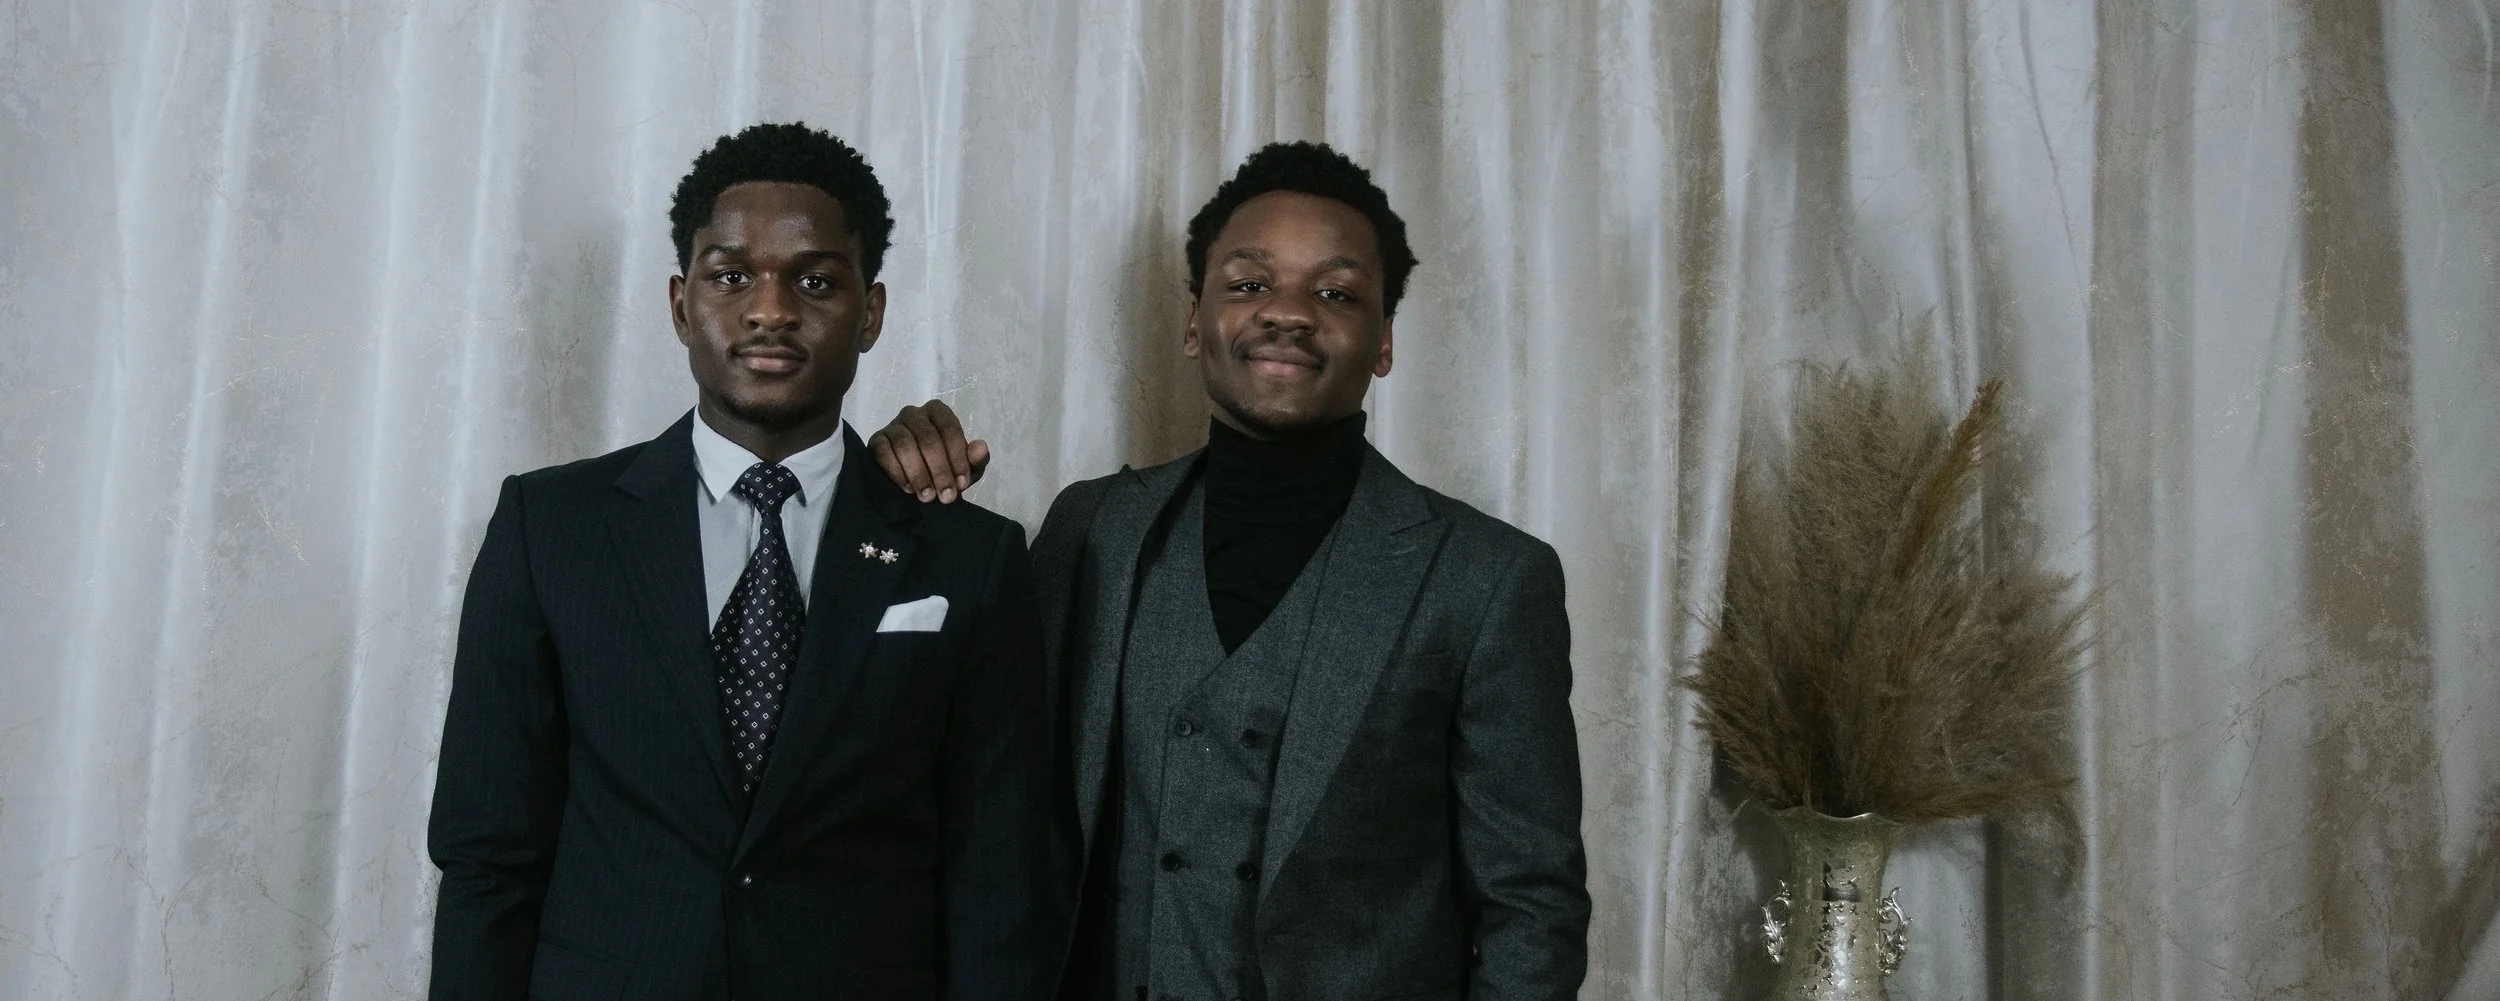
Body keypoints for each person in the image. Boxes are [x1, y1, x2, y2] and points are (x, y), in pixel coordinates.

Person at [872, 142, 1590, 1001]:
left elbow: (1531, 909)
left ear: (1386, 340)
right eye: (1250, 284)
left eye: (1335, 292)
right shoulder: (1092, 527)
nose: (1288, 312)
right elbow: (954, 768)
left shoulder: (1487, 578)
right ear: (1191, 323)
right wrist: (888, 507)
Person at [428, 122, 1054, 1001]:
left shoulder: (969, 556)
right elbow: (488, 853)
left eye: (814, 279)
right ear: (682, 304)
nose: (771, 308)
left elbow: (1001, 882)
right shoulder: (551, 526)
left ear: (870, 312)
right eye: (731, 276)